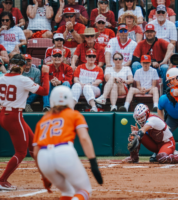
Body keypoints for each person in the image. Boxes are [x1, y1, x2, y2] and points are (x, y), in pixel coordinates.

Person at [33, 86, 103, 199]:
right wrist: (93, 163)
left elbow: (35, 153)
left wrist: (44, 176)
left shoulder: (43, 120)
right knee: (85, 190)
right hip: (64, 152)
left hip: (43, 157)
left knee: (67, 192)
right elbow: (84, 138)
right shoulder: (74, 114)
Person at [0, 54, 49, 190]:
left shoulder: (2, 78)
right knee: (21, 153)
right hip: (14, 116)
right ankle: (2, 180)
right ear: (22, 67)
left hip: (4, 114)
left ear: (10, 65)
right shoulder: (23, 79)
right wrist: (45, 74)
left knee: (33, 144)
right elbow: (45, 91)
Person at [132, 24, 174, 90]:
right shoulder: (141, 43)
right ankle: (137, 89)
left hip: (159, 66)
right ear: (144, 33)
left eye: (151, 32)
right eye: (147, 32)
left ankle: (166, 91)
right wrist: (150, 63)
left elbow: (171, 46)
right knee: (135, 65)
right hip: (145, 67)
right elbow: (135, 58)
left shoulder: (160, 41)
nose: (149, 34)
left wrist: (164, 61)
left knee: (165, 67)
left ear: (155, 33)